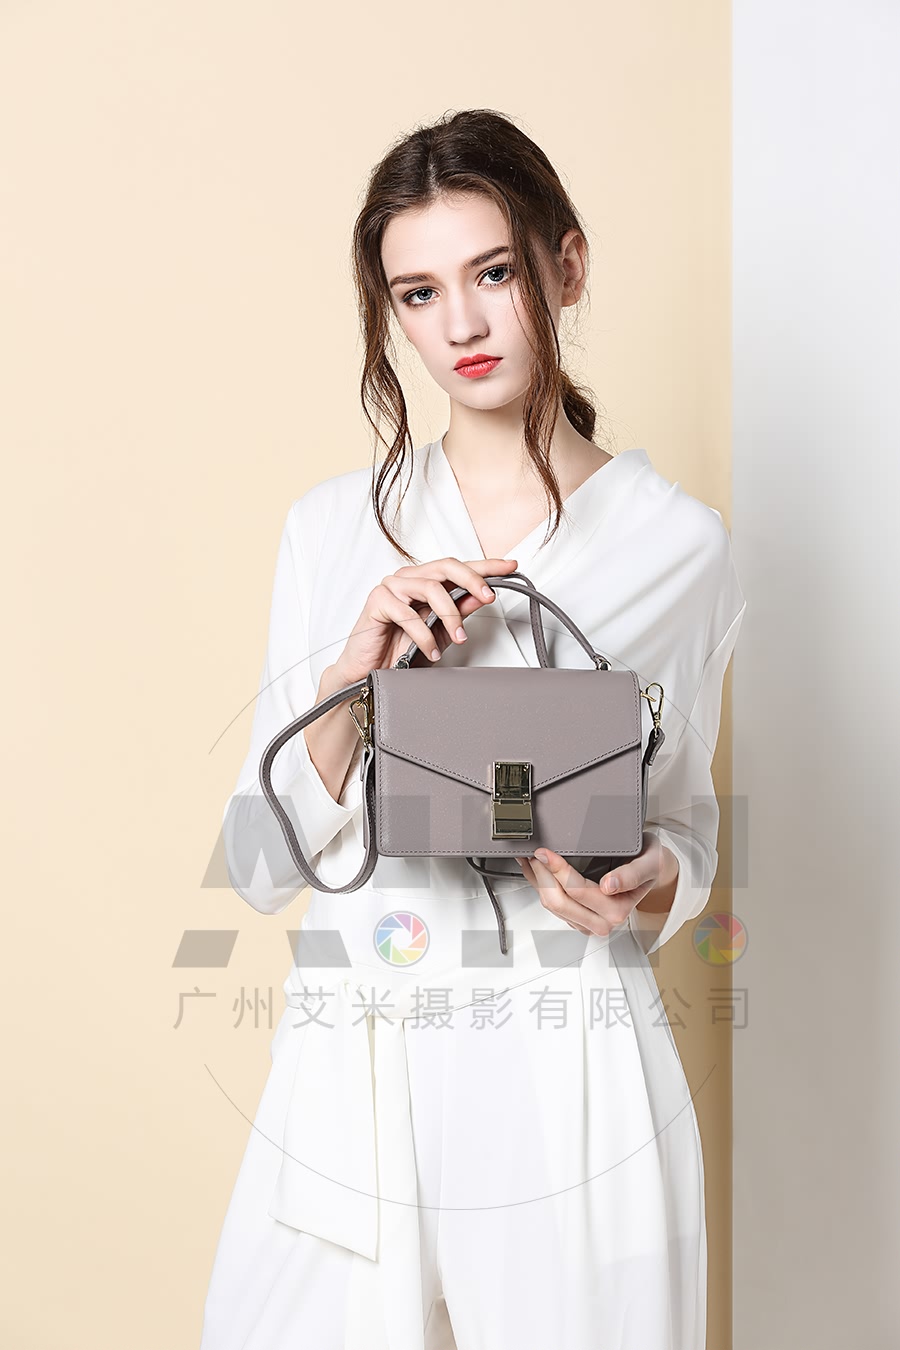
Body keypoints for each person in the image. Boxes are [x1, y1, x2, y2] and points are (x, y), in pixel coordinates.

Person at [200, 108, 746, 1350]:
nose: (460, 324)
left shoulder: (683, 549)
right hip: (358, 1077)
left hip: (574, 1069)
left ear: (567, 266)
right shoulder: (332, 530)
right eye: (418, 293)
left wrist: (654, 877)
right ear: (390, 314)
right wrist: (353, 676)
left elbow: (688, 825)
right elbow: (257, 867)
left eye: (493, 273)